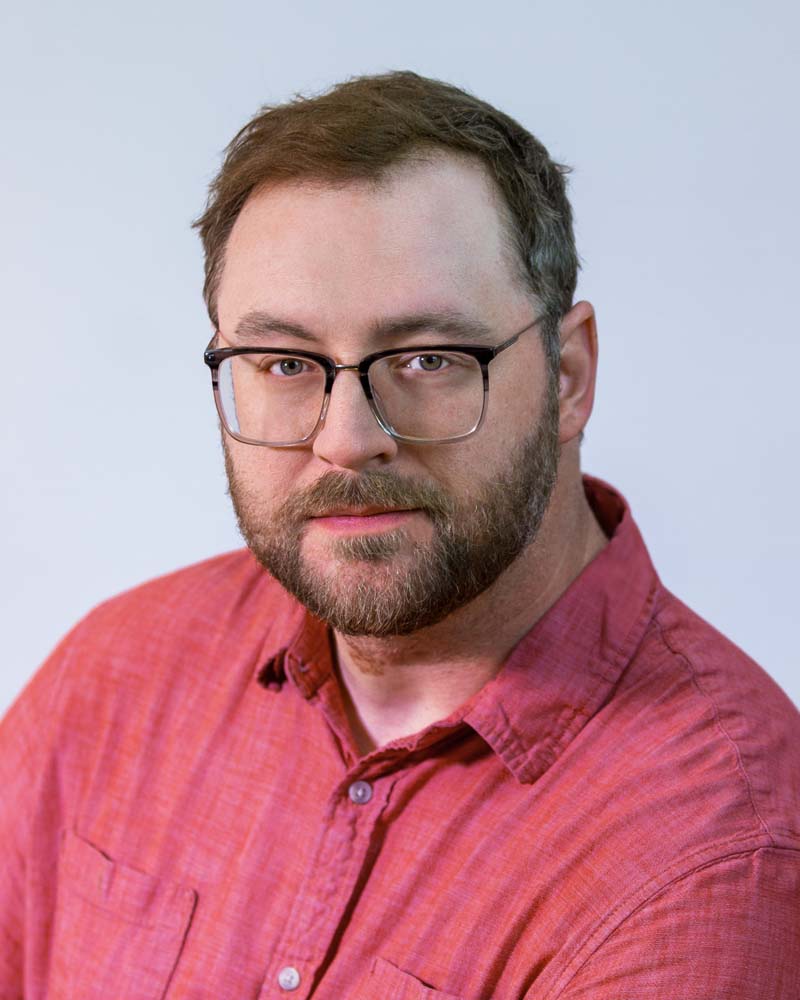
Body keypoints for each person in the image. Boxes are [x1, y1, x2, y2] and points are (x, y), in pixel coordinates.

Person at [1, 71, 798, 999]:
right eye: (286, 362)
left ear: (570, 375)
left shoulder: (716, 858)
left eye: (429, 358)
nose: (347, 439)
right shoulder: (122, 670)